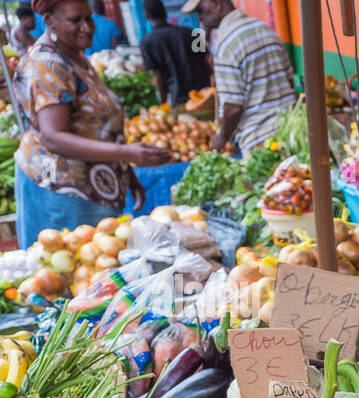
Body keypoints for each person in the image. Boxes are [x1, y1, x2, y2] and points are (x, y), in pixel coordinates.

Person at [13, 0, 170, 247]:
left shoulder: (74, 55)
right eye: (76, 20)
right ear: (49, 20)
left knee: (99, 271)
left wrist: (126, 171)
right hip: (60, 189)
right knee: (71, 272)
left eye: (89, 19)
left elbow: (95, 126)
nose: (87, 27)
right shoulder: (49, 63)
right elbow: (54, 136)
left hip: (94, 186)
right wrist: (125, 153)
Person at [182, 0, 295, 154]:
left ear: (216, 4)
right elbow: (289, 80)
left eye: (200, 10)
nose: (199, 18)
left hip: (261, 140)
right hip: (293, 129)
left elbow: (233, 106)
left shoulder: (226, 43)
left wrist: (221, 138)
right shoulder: (265, 29)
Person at [140, 0, 210, 107]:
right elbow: (208, 60)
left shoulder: (146, 42)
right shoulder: (190, 32)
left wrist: (163, 103)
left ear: (146, 16)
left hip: (179, 99)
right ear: (165, 13)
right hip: (205, 95)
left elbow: (158, 77)